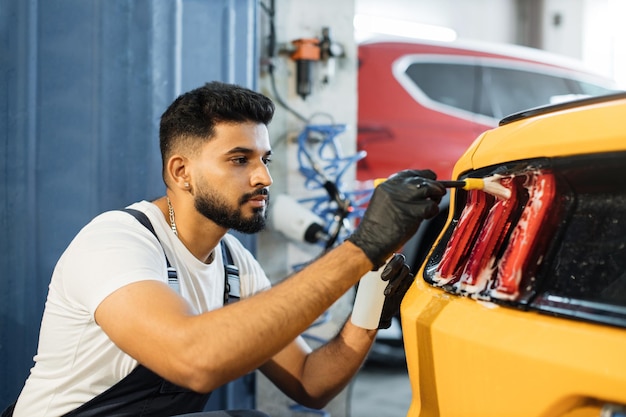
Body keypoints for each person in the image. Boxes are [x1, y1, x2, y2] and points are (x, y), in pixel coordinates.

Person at [7, 82, 446, 417]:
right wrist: (360, 249)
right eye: (240, 160)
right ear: (181, 172)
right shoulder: (117, 241)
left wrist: (367, 309)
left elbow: (310, 384)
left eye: (264, 160)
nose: (264, 178)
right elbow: (193, 358)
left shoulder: (235, 266)